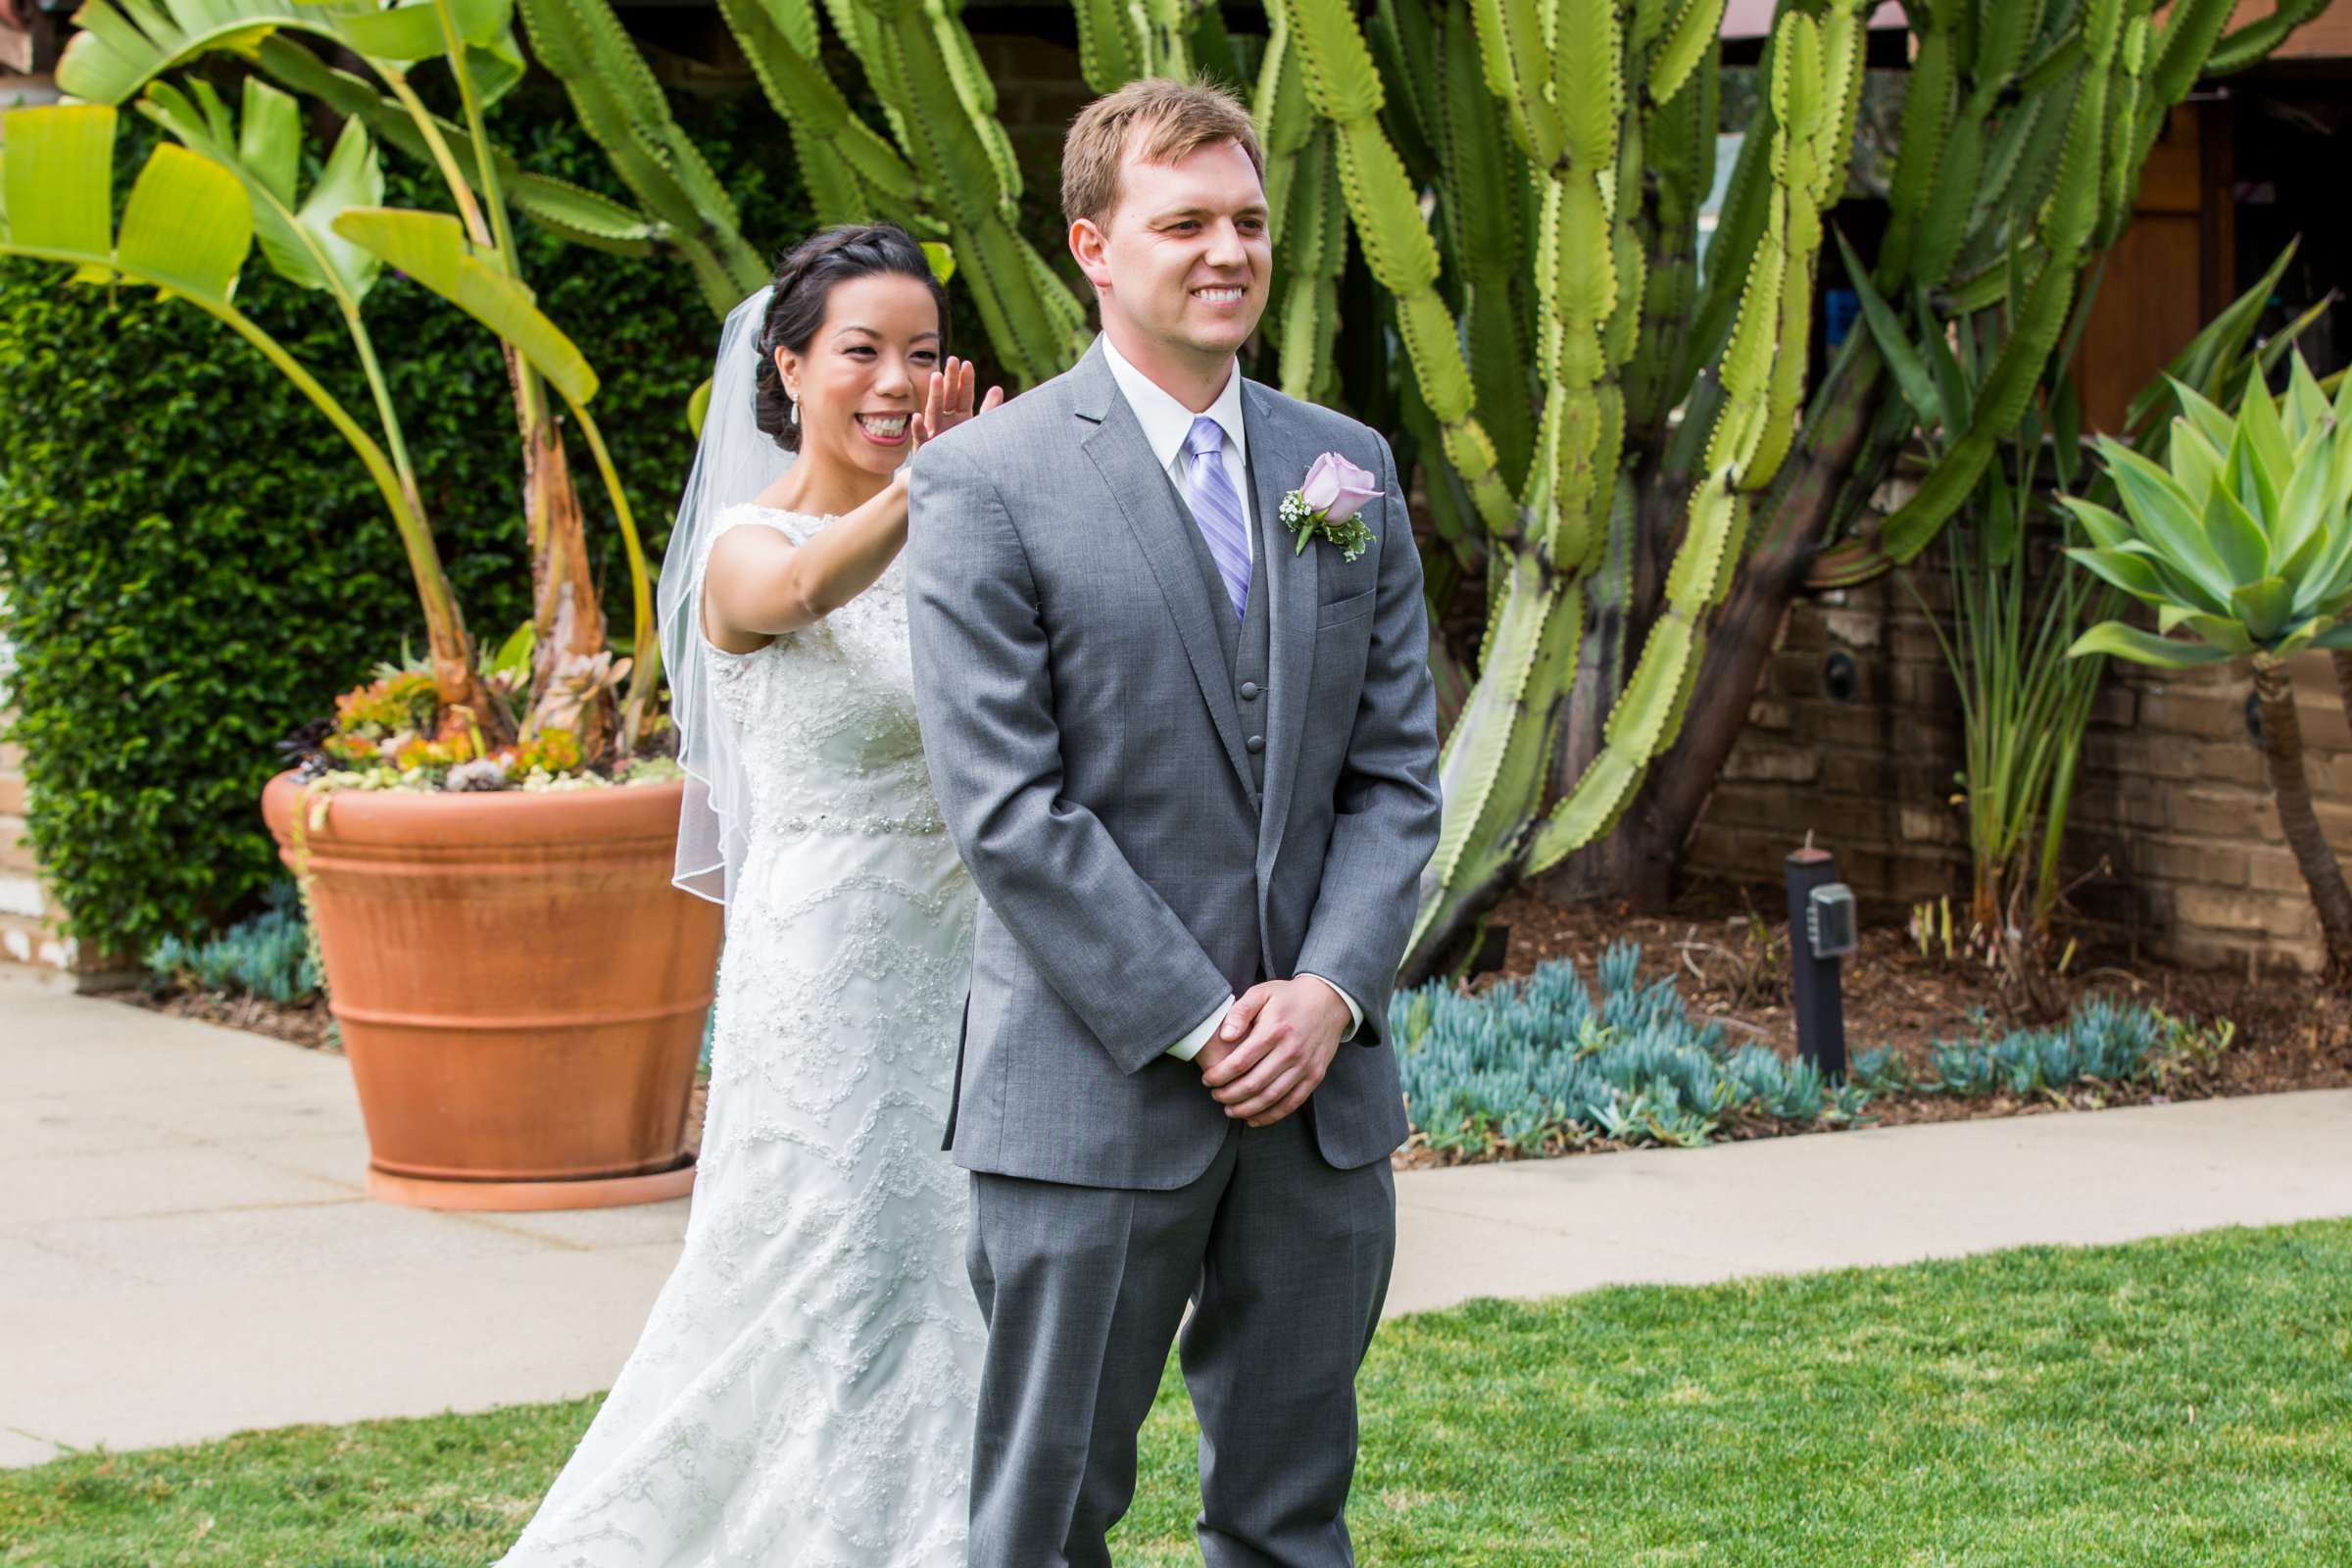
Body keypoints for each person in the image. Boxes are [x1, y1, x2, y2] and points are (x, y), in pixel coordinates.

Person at [904, 78, 1443, 1568]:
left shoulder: (1346, 468)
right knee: (1046, 1518)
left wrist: (1329, 996)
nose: (1230, 251)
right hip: (1088, 1099)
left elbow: (1395, 778)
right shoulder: (983, 485)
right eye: (1186, 220)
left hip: (1318, 1108)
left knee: (1289, 1515)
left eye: (1251, 222)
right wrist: (1209, 1023)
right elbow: (1009, 809)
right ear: (1092, 243)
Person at [494, 222, 1003, 1567]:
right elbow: (799, 587)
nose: (900, 380)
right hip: (829, 976)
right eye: (865, 352)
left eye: (927, 353)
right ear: (788, 366)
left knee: (945, 1280)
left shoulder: (951, 533)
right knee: (828, 1265)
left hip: (963, 968)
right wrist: (932, 490)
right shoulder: (743, 541)